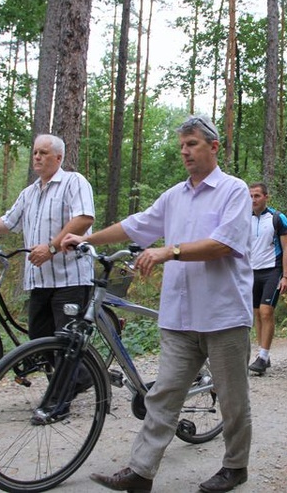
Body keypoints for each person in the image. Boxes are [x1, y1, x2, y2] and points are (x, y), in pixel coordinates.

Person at [62, 116, 253, 493]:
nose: (185, 151)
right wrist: (86, 238)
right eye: (182, 145)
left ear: (213, 147)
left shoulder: (235, 190)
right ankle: (141, 472)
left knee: (232, 399)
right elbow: (135, 226)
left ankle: (235, 466)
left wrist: (169, 251)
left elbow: (224, 244)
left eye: (193, 144)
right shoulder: (174, 196)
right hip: (179, 316)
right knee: (162, 395)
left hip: (223, 315)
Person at [0, 134, 95, 422]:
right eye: (34, 153)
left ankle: (57, 404)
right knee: (41, 340)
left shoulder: (74, 182)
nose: (37, 157)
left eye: (44, 153)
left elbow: (84, 218)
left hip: (70, 278)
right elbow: (7, 222)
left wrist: (53, 247)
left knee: (65, 342)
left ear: (58, 158)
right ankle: (84, 377)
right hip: (40, 279)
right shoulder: (30, 192)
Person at [247, 182, 287, 375]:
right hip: (251, 272)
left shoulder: (277, 218)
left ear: (266, 197)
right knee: (257, 313)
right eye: (250, 196)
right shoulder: (243, 218)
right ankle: (263, 354)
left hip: (272, 271)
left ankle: (263, 357)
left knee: (266, 312)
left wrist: (286, 276)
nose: (253, 200)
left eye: (257, 196)